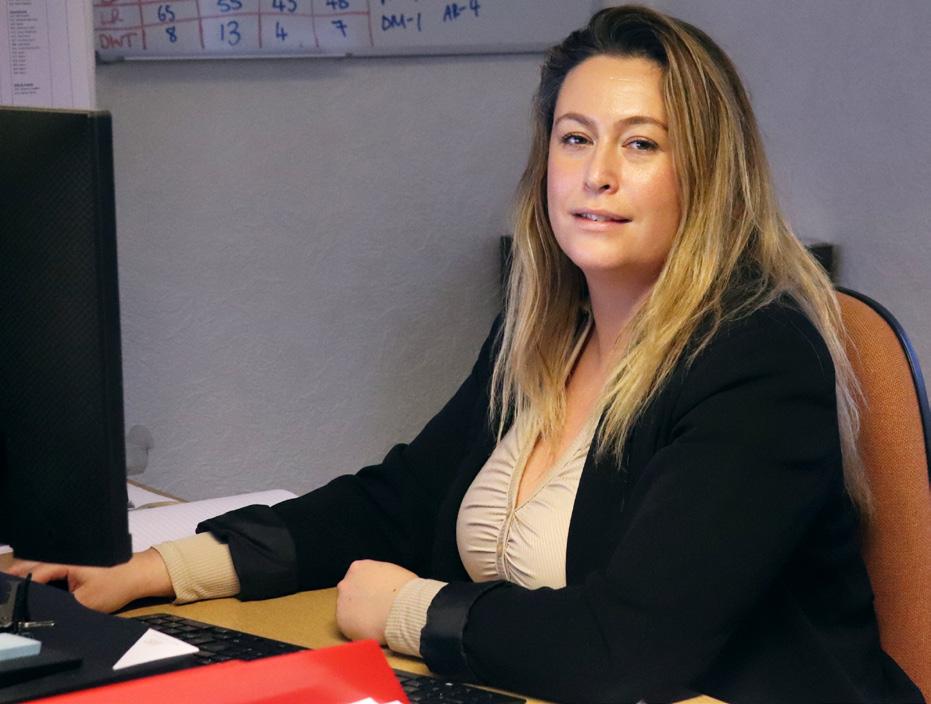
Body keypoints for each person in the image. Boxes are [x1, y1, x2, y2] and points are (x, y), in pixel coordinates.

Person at [5, 5, 924, 703]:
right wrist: (158, 569)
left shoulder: (757, 358)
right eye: (574, 139)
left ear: (708, 176)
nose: (596, 174)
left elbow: (630, 648)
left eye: (640, 144)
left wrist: (402, 610)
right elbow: (399, 501)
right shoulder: (546, 328)